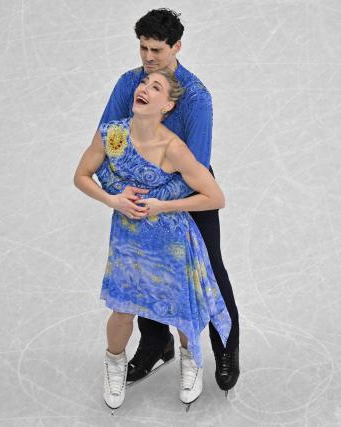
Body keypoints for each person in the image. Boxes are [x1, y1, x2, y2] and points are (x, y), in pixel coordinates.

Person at [99, 8, 240, 395]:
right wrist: (119, 188)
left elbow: (198, 163)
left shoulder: (195, 97)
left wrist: (155, 199)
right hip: (139, 197)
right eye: (143, 48)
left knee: (208, 268)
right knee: (147, 274)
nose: (147, 57)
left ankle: (226, 348)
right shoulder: (129, 84)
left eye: (156, 50)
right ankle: (155, 343)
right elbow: (109, 141)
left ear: (176, 46)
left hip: (188, 194)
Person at [73, 69, 232, 409]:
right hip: (128, 241)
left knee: (180, 307)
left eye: (155, 87)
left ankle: (190, 361)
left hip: (171, 241)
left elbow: (214, 197)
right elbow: (81, 176)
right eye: (144, 83)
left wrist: (164, 205)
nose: (144, 88)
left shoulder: (173, 148)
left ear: (167, 105)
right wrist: (112, 200)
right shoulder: (113, 135)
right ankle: (114, 364)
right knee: (122, 309)